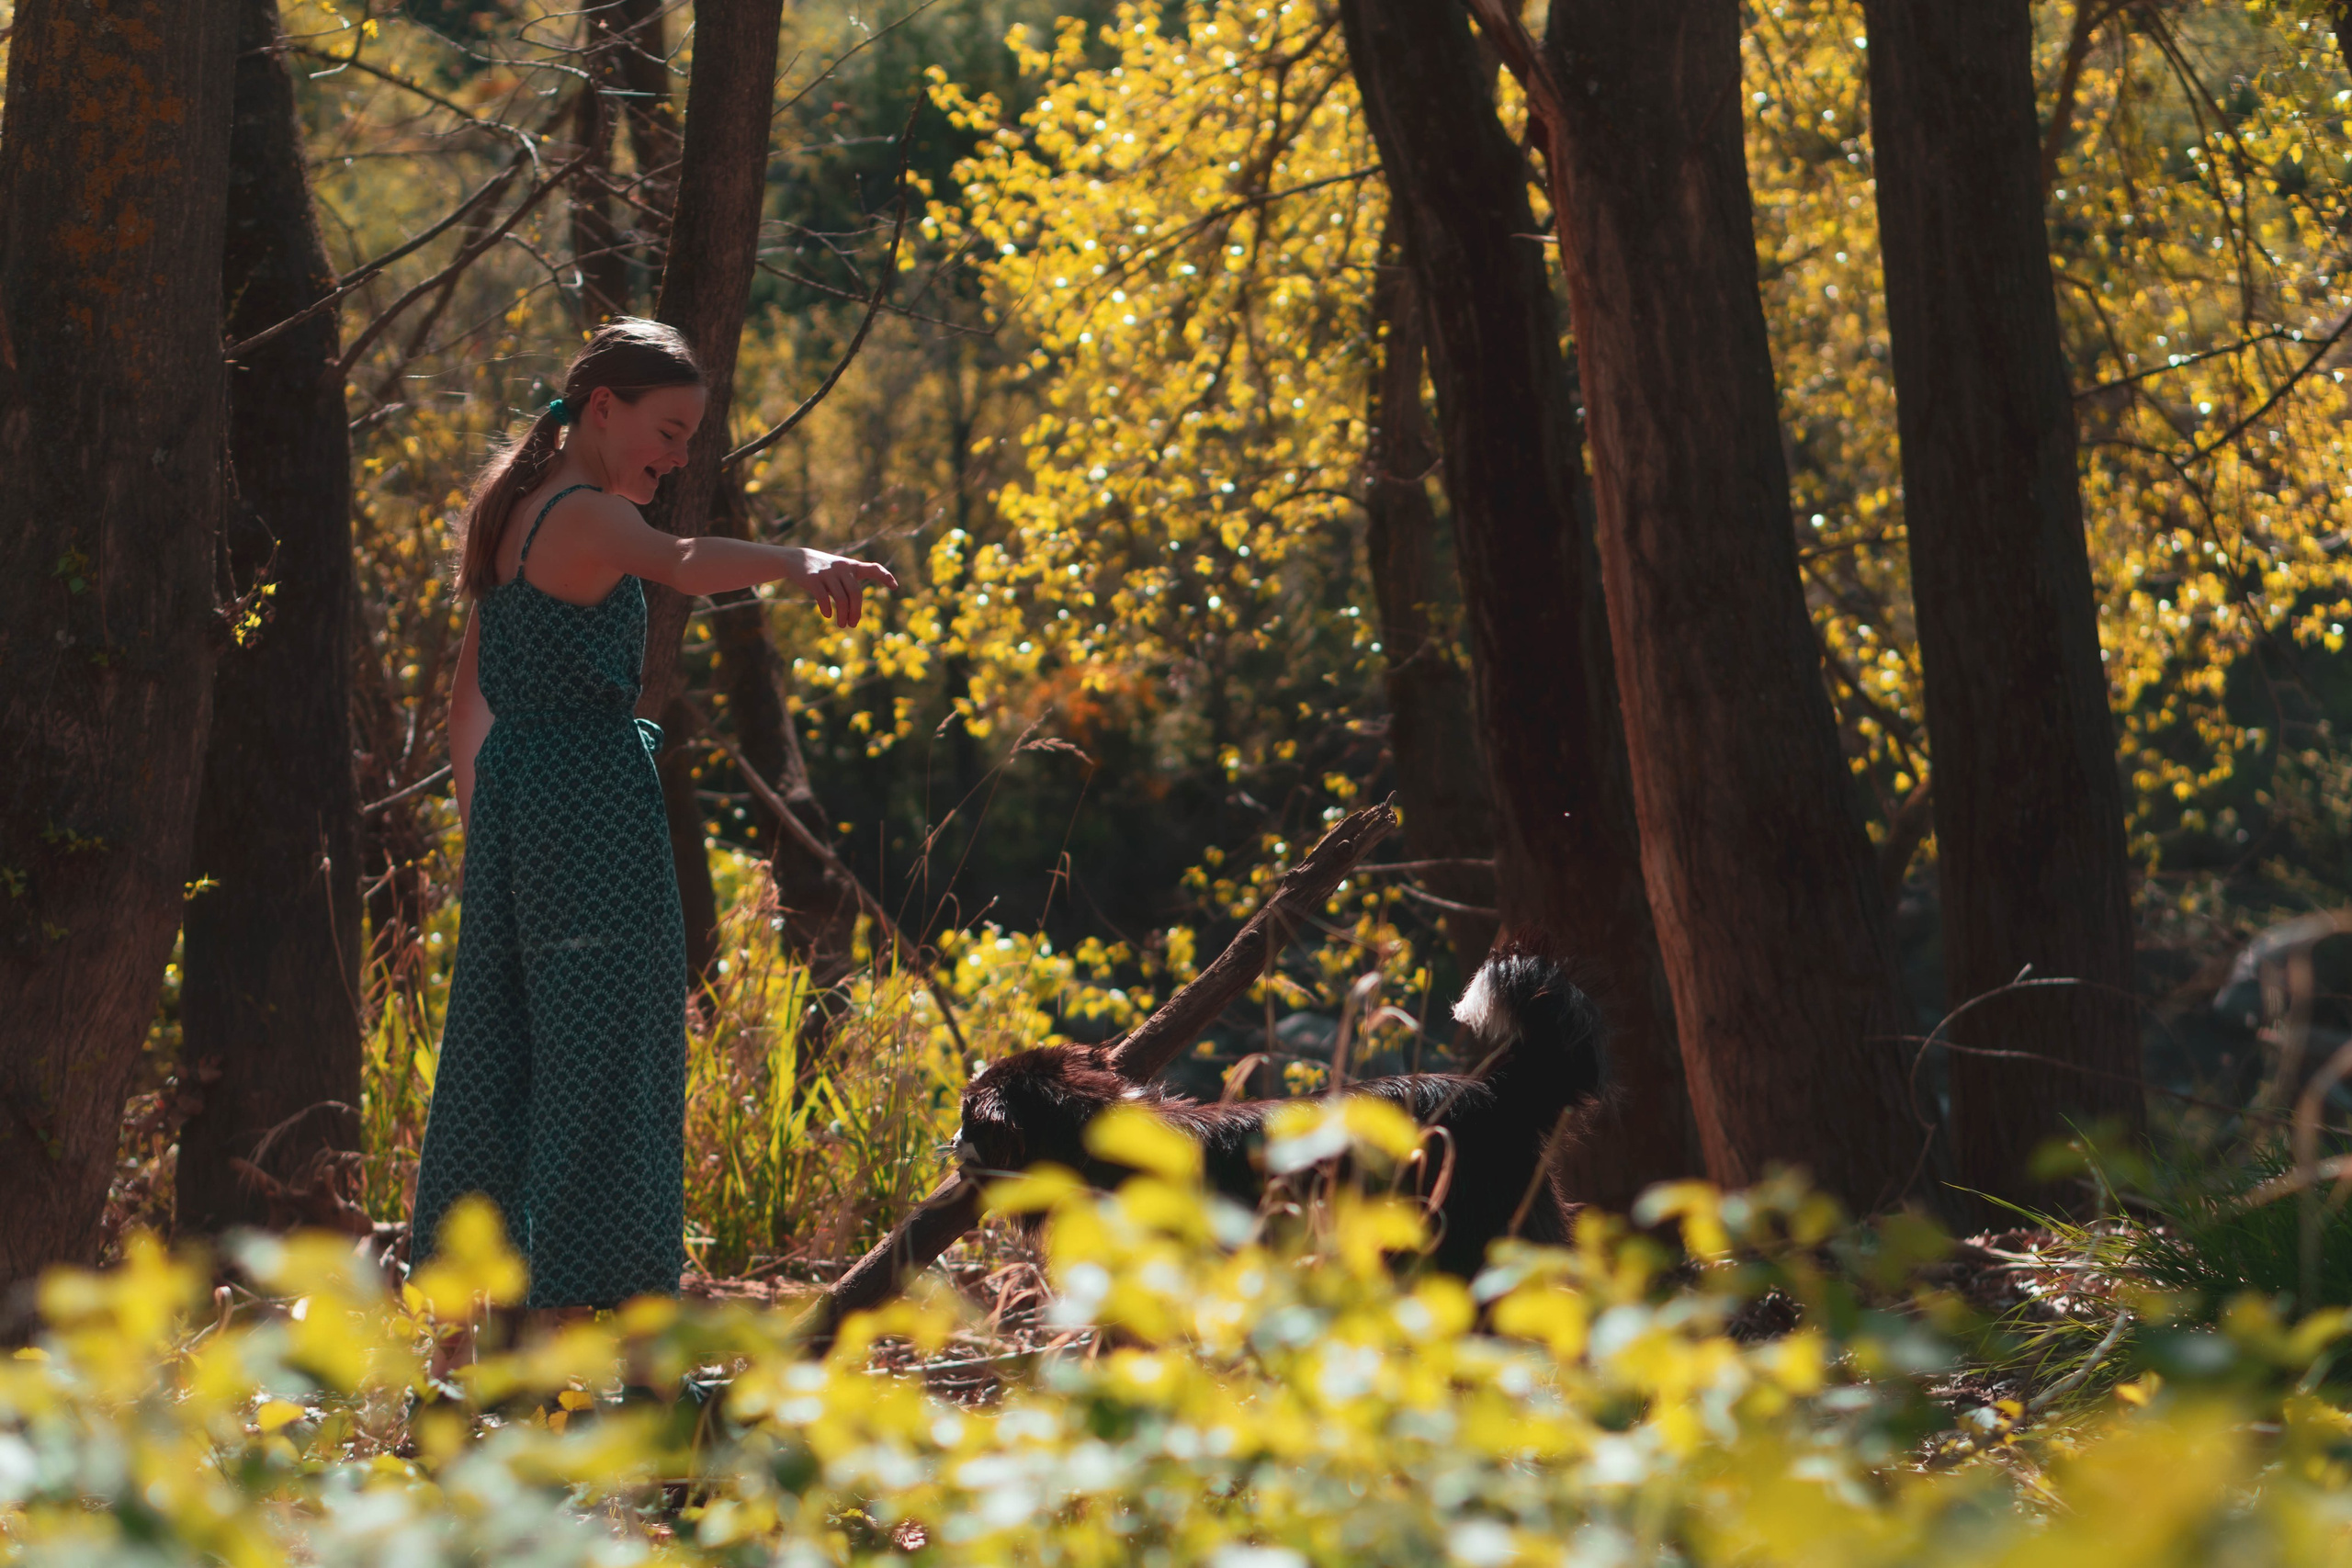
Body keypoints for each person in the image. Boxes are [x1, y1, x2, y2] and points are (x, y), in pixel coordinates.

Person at [409, 317, 897, 1318]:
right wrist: (800, 559)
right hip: (590, 812)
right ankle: (580, 1327)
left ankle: (480, 1320)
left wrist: (490, 843)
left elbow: (467, 708)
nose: (677, 459)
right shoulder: (584, 514)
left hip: (521, 812)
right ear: (603, 408)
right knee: (607, 1060)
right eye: (668, 432)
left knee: (512, 1057)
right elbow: (679, 558)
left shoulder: (512, 511)